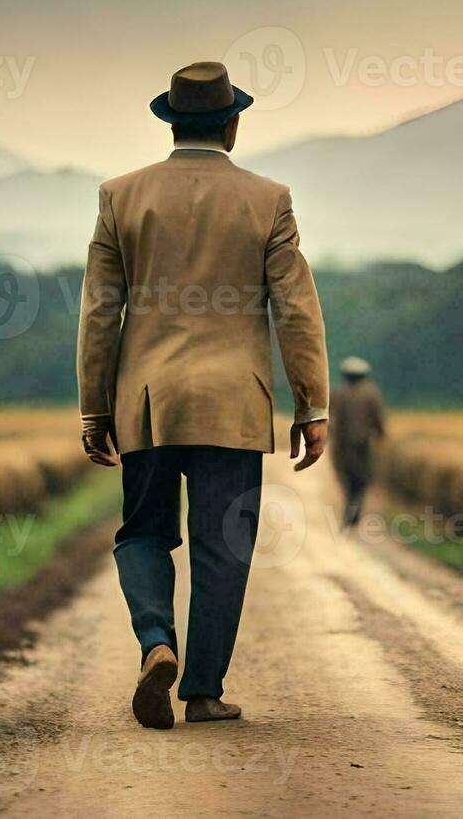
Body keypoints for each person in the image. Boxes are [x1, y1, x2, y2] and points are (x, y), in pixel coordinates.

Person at [76, 61, 330, 730]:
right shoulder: (269, 199)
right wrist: (313, 406)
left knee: (142, 534)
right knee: (223, 546)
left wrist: (94, 408)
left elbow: (101, 313)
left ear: (171, 119)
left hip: (148, 401)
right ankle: (204, 691)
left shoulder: (120, 196)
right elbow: (296, 311)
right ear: (233, 123)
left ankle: (156, 641)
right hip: (233, 406)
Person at [329, 356, 386, 528]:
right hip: (363, 444)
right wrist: (381, 436)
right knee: (361, 479)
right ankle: (355, 508)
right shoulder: (372, 394)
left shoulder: (337, 394)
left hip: (342, 445)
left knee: (346, 477)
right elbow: (379, 421)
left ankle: (350, 507)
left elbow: (329, 418)